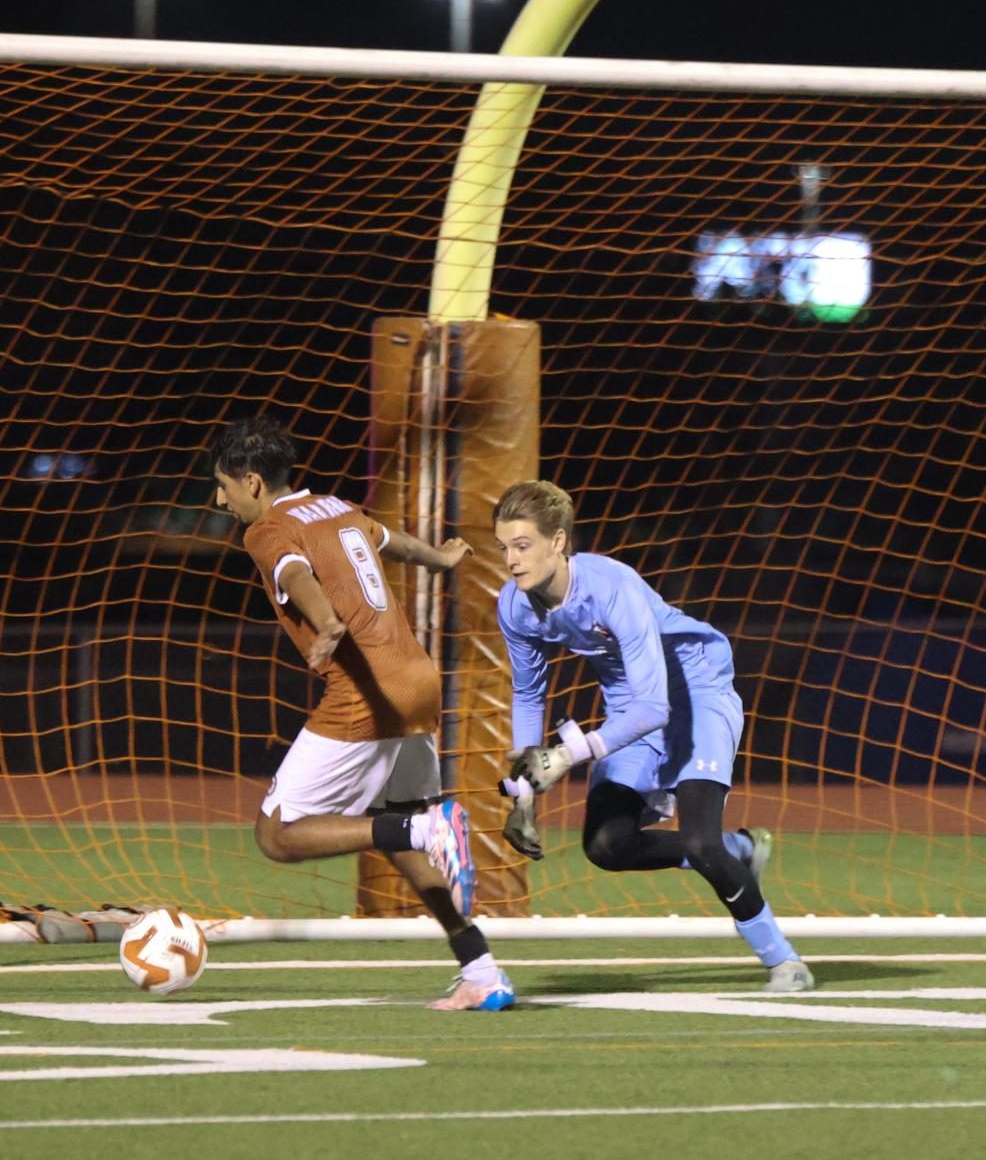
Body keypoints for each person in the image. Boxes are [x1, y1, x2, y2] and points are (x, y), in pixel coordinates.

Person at [210, 414, 512, 1012]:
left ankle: (432, 827)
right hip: (420, 682)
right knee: (397, 834)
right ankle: (481, 969)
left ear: (251, 482)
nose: (218, 499)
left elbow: (293, 574)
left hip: (365, 692)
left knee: (277, 834)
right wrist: (441, 562)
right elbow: (389, 540)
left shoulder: (266, 530)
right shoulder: (334, 506)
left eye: (221, 484)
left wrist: (324, 622)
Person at [489, 480, 812, 993]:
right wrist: (523, 796)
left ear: (558, 542)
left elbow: (656, 706)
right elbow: (529, 696)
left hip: (696, 694)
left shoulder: (610, 586)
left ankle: (785, 963)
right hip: (630, 706)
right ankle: (739, 850)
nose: (511, 560)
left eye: (522, 545)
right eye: (503, 547)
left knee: (700, 841)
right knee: (606, 845)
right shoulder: (515, 605)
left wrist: (570, 753)